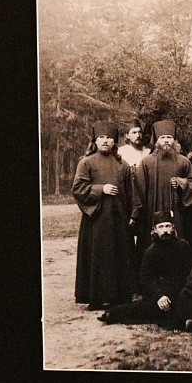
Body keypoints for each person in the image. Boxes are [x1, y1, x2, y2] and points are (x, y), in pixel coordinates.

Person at [73, 121, 139, 310]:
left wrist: (133, 213)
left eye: (109, 138)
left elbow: (131, 191)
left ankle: (120, 296)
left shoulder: (122, 164)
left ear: (114, 142)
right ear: (95, 140)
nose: (105, 141)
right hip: (97, 219)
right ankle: (95, 297)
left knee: (119, 255)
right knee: (98, 256)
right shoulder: (86, 162)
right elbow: (78, 188)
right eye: (101, 137)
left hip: (119, 218)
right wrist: (101, 189)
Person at [98, 211, 192, 327]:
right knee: (149, 308)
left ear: (173, 228)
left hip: (179, 290)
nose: (165, 230)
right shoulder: (151, 251)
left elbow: (189, 272)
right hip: (159, 292)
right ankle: (113, 313)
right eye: (161, 227)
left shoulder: (183, 245)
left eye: (167, 226)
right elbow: (146, 279)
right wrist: (159, 296)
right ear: (155, 230)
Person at [133, 119, 192, 269]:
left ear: (174, 140)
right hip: (151, 212)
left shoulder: (184, 161)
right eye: (162, 137)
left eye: (169, 137)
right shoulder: (146, 162)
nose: (166, 140)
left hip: (177, 213)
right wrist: (139, 215)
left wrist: (182, 183)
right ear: (156, 140)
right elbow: (138, 190)